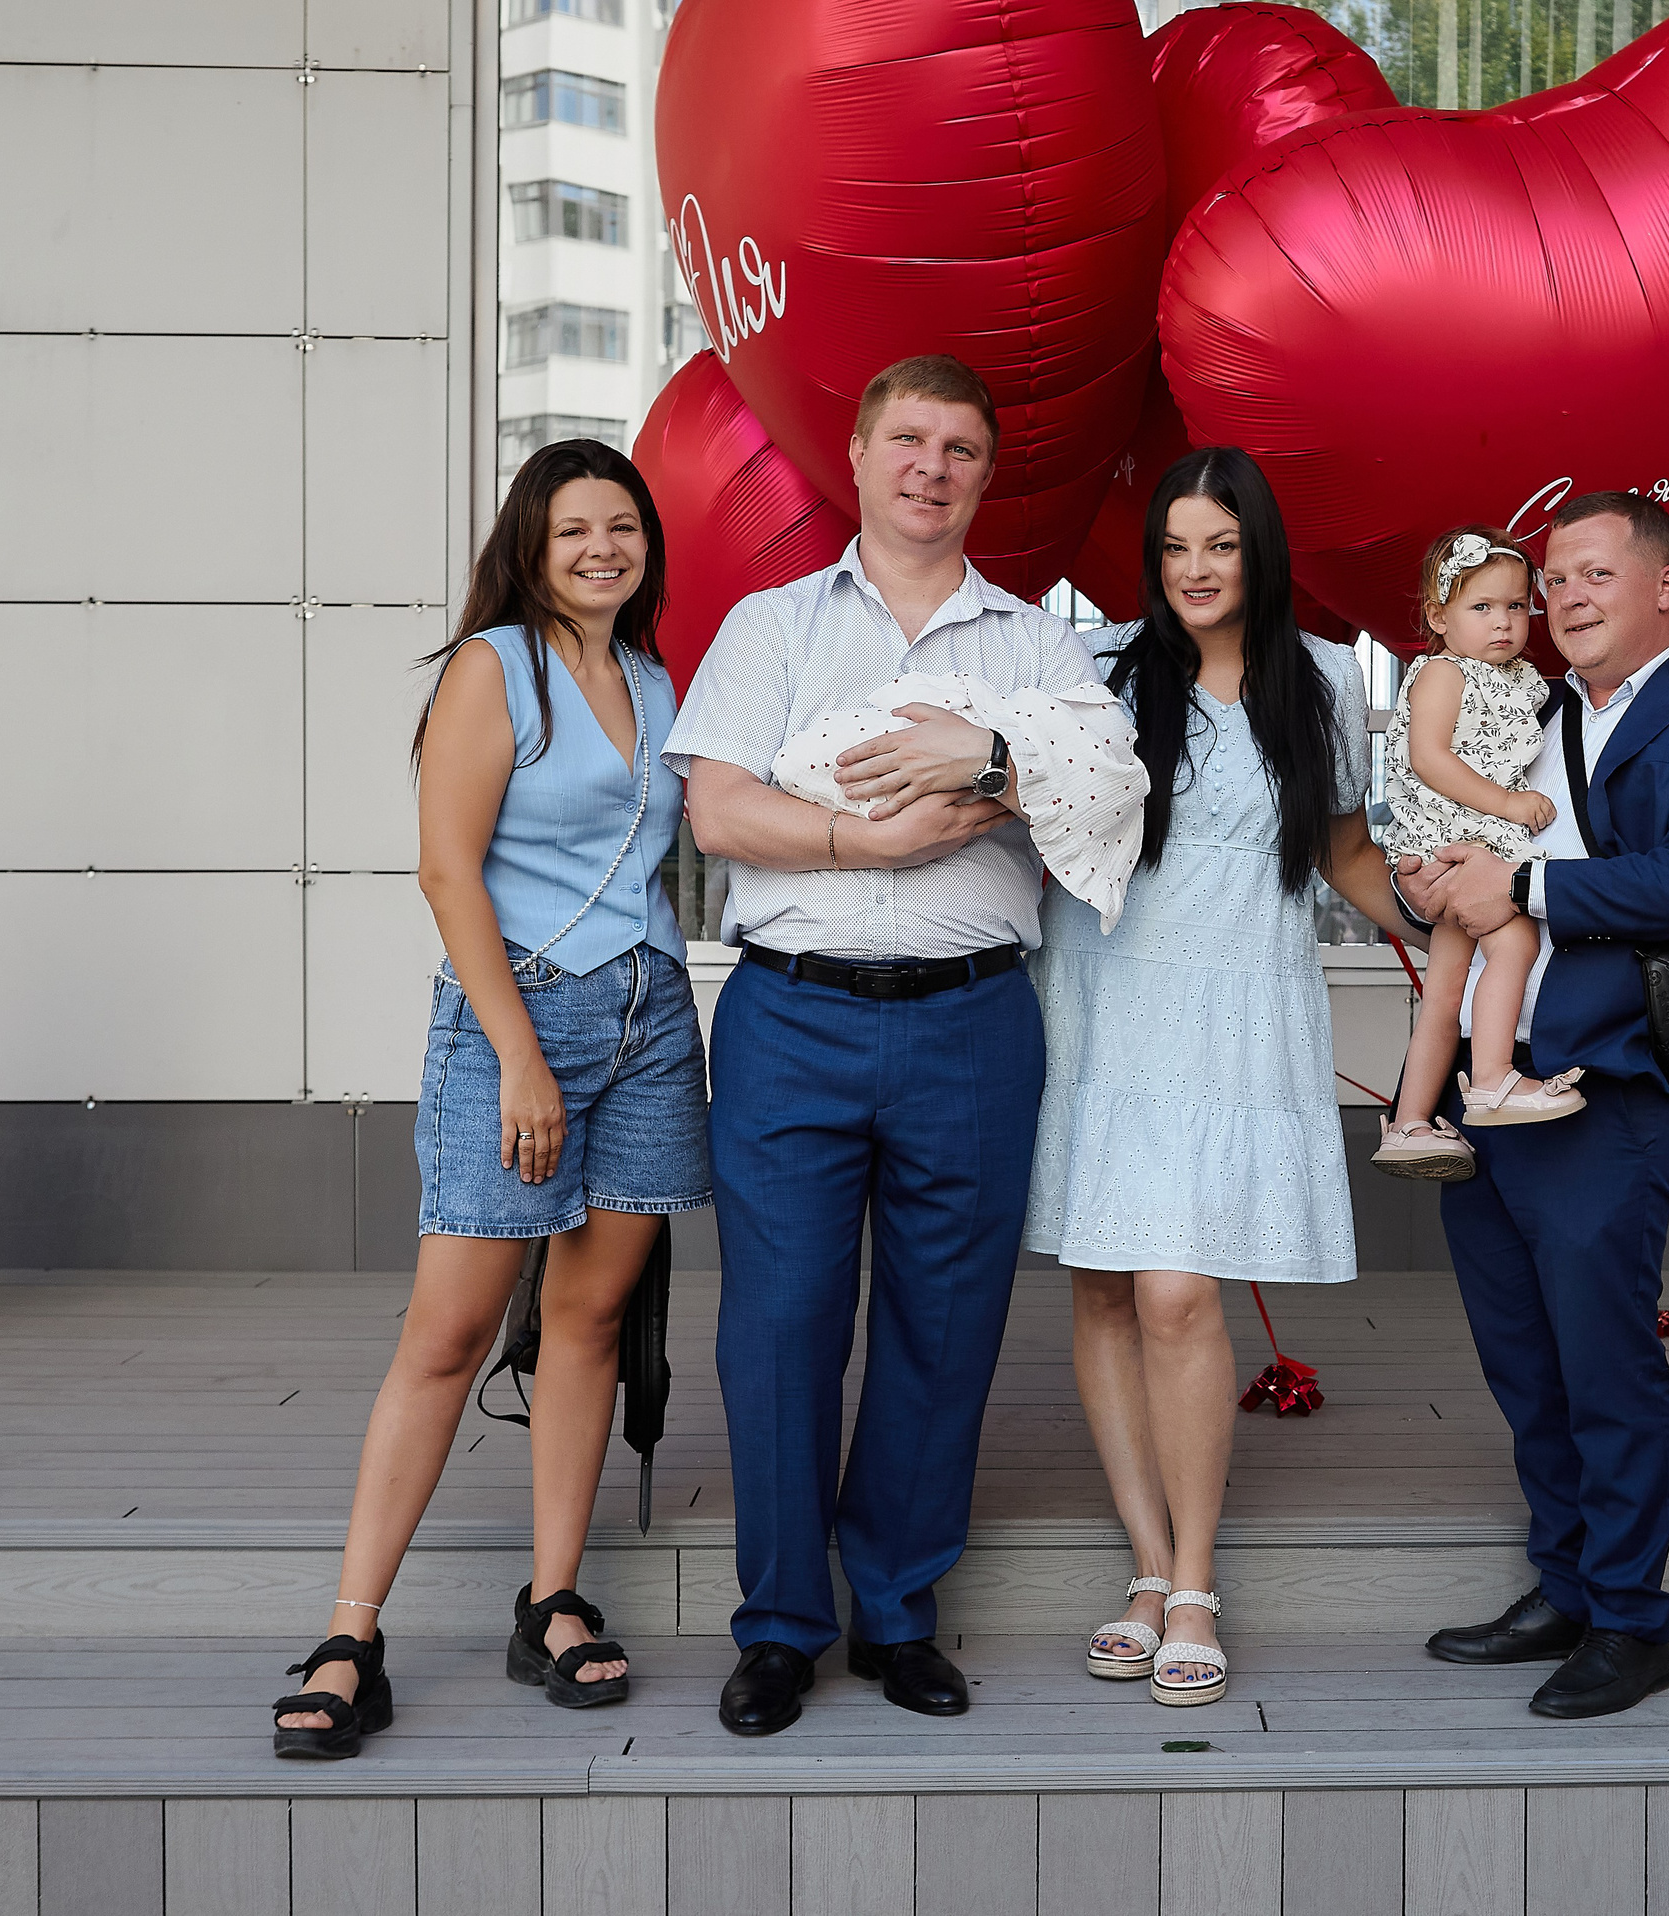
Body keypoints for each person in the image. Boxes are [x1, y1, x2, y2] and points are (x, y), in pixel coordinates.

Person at [670, 354, 1122, 1739]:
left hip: (974, 1020)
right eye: (909, 441)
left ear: (987, 477)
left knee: (945, 1333)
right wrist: (861, 835)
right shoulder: (773, 626)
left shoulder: (1042, 649)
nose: (932, 468)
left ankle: (900, 1612)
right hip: (790, 1014)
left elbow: (1100, 790)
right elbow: (720, 815)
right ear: (858, 456)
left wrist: (983, 763)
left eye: (961, 450)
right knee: (780, 1331)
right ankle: (782, 1626)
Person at [271, 439, 710, 1759]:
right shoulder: (492, 667)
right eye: (574, 528)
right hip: (520, 1017)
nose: (601, 548)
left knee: (585, 1322)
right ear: (530, 543)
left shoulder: (652, 676)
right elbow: (449, 876)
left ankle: (552, 1597)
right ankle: (351, 1632)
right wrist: (519, 1053)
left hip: (648, 1017)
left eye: (622, 526)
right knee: (451, 1334)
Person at [1026, 447, 1416, 1706]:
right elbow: (1026, 819)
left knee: (1180, 1291)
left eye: (1221, 544)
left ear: (1259, 553)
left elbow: (1347, 850)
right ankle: (1144, 1567)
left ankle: (1193, 1579)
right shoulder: (1097, 672)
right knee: (1102, 1290)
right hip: (1104, 995)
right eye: (1176, 547)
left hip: (1236, 1004)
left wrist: (1455, 923)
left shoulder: (1315, 682)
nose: (1195, 569)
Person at [1396, 492, 1669, 1720]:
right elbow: (1456, 844)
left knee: (1605, 1366)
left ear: (1667, 584)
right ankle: (1561, 1583)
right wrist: (1428, 878)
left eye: (1594, 574)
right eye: (1552, 576)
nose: (1563, 596)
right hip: (1482, 1089)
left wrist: (1525, 875)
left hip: (1600, 1092)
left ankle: (1628, 1619)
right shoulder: (1520, 703)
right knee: (1525, 1365)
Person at [1372, 527, 1579, 1183]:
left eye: (1517, 607)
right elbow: (1429, 757)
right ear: (1439, 617)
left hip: (1470, 836)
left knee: (1443, 993)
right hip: (1457, 833)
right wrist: (1508, 804)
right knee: (1514, 943)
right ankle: (1490, 1079)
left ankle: (1409, 1123)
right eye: (1482, 608)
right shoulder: (1442, 671)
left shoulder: (1516, 679)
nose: (1504, 623)